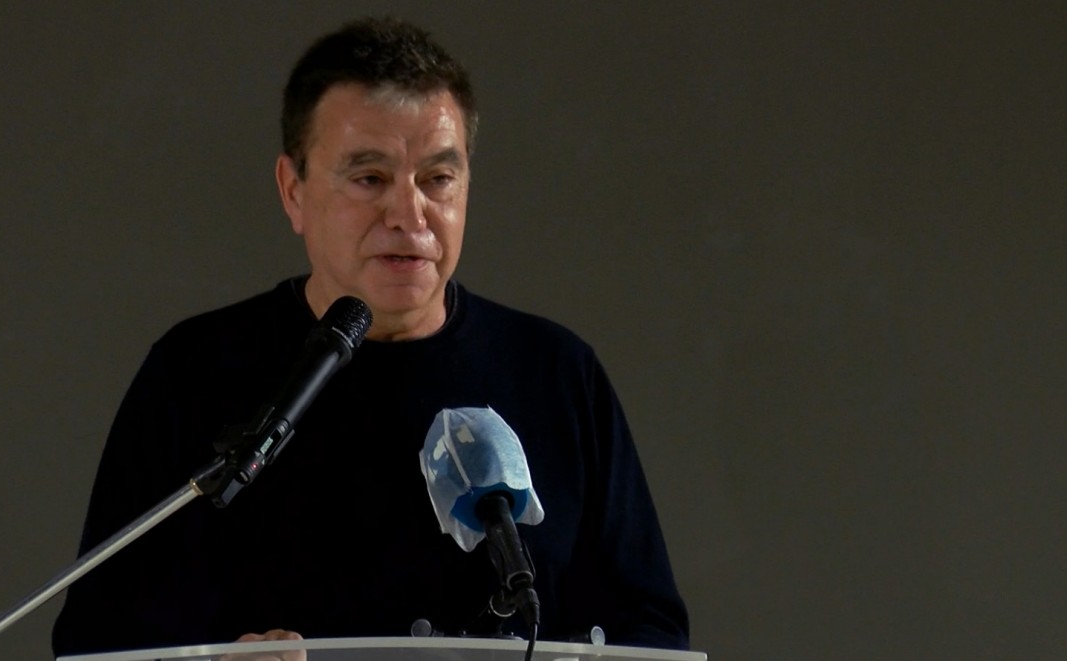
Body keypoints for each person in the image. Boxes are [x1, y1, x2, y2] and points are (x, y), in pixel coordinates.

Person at [52, 17, 689, 656]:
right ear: (293, 192)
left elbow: (653, 632)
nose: (409, 215)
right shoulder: (194, 372)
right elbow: (96, 639)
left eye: (438, 179)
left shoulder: (557, 373)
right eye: (370, 179)